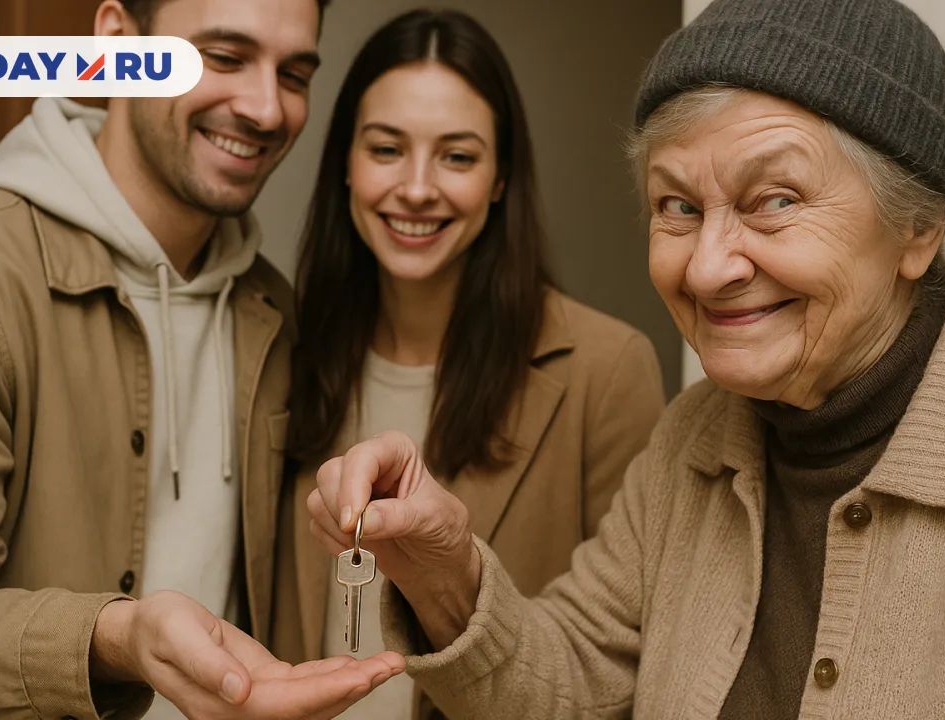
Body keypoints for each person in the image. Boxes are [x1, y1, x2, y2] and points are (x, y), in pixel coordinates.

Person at [306, 0, 945, 717]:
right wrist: (445, 569)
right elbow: (572, 684)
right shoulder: (696, 436)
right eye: (676, 206)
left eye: (774, 200)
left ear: (917, 227)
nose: (707, 265)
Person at [0, 0, 402, 717]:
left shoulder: (274, 312)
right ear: (116, 44)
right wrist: (113, 638)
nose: (266, 109)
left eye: (294, 73)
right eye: (225, 58)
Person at [269, 8, 666, 718]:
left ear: (501, 178)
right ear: (345, 169)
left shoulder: (607, 372)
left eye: (457, 156)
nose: (418, 188)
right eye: (386, 149)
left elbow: (628, 665)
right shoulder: (281, 354)